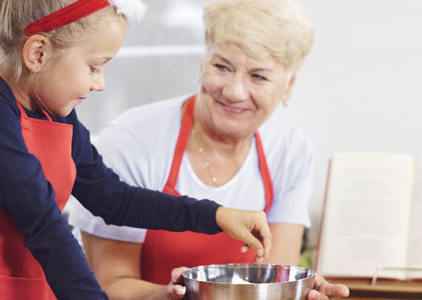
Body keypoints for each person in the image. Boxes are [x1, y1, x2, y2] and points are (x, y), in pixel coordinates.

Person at [0, 0, 272, 299]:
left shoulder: (55, 112)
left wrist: (218, 215)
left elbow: (113, 198)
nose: (99, 84)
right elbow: (39, 217)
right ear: (37, 53)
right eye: (94, 67)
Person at [67, 0, 349, 299]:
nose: (234, 91)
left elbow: (275, 277)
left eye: (259, 76)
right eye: (222, 67)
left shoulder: (290, 151)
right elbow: (108, 285)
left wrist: (296, 290)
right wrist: (173, 296)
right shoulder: (131, 142)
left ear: (288, 86)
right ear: (203, 64)